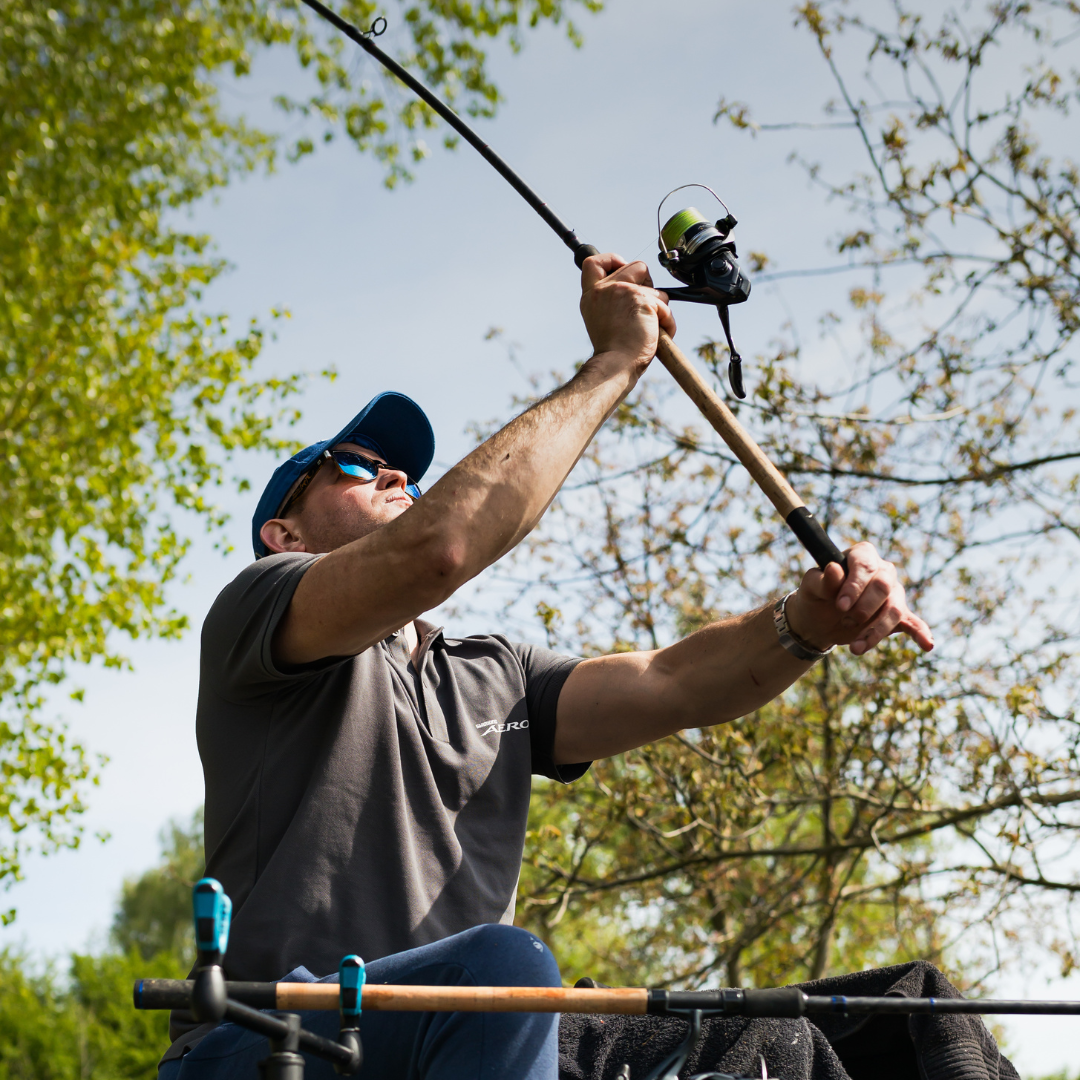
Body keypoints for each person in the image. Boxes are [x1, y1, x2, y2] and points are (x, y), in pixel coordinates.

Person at [160, 254, 933, 1080]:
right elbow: (440, 551)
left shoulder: (499, 678)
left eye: (409, 473)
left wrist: (808, 619)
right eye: (353, 463)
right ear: (286, 534)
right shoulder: (262, 608)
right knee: (504, 969)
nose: (396, 475)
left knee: (806, 1045)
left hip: (458, 1042)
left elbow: (676, 682)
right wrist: (614, 362)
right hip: (271, 1037)